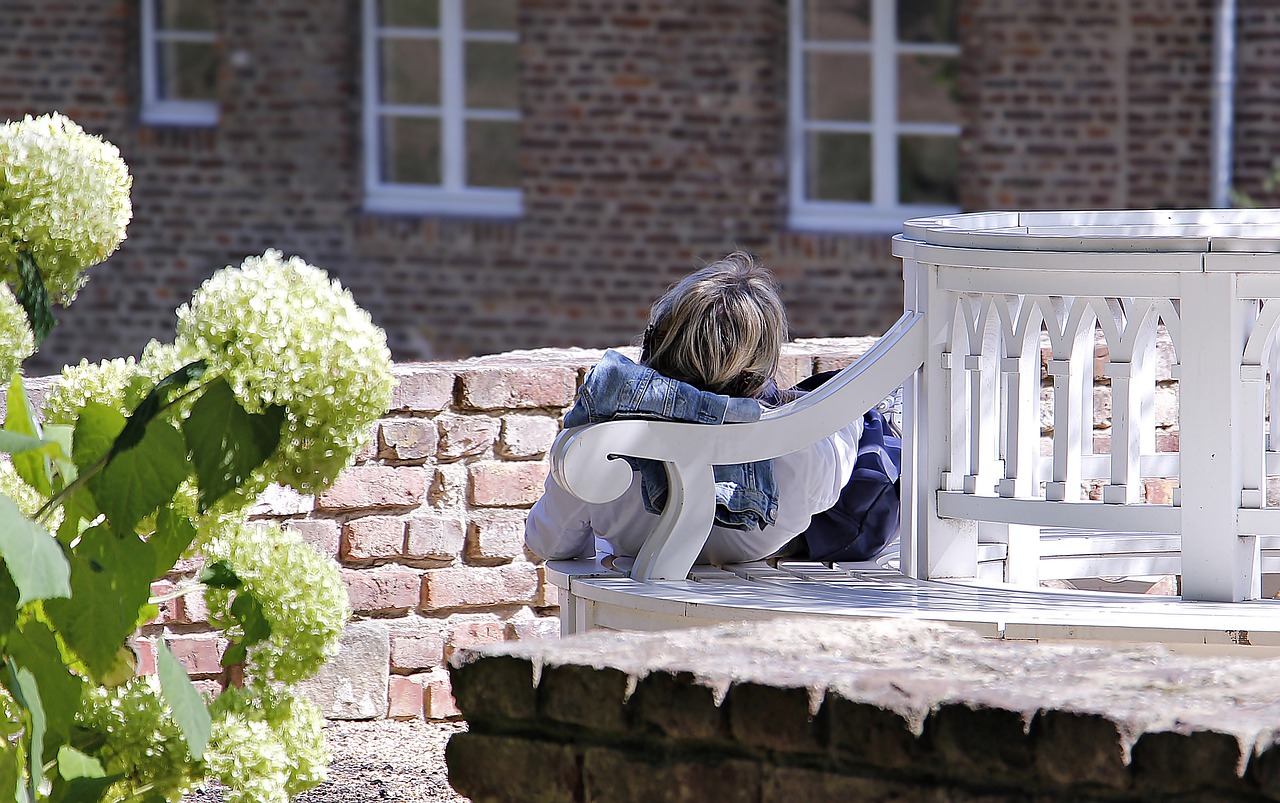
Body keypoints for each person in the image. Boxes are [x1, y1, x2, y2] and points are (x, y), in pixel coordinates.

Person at [524, 252, 864, 565]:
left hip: (642, 584)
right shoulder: (802, 449)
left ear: (655, 342)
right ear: (761, 370)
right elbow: (830, 483)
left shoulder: (601, 437)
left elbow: (549, 543)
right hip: (756, 591)